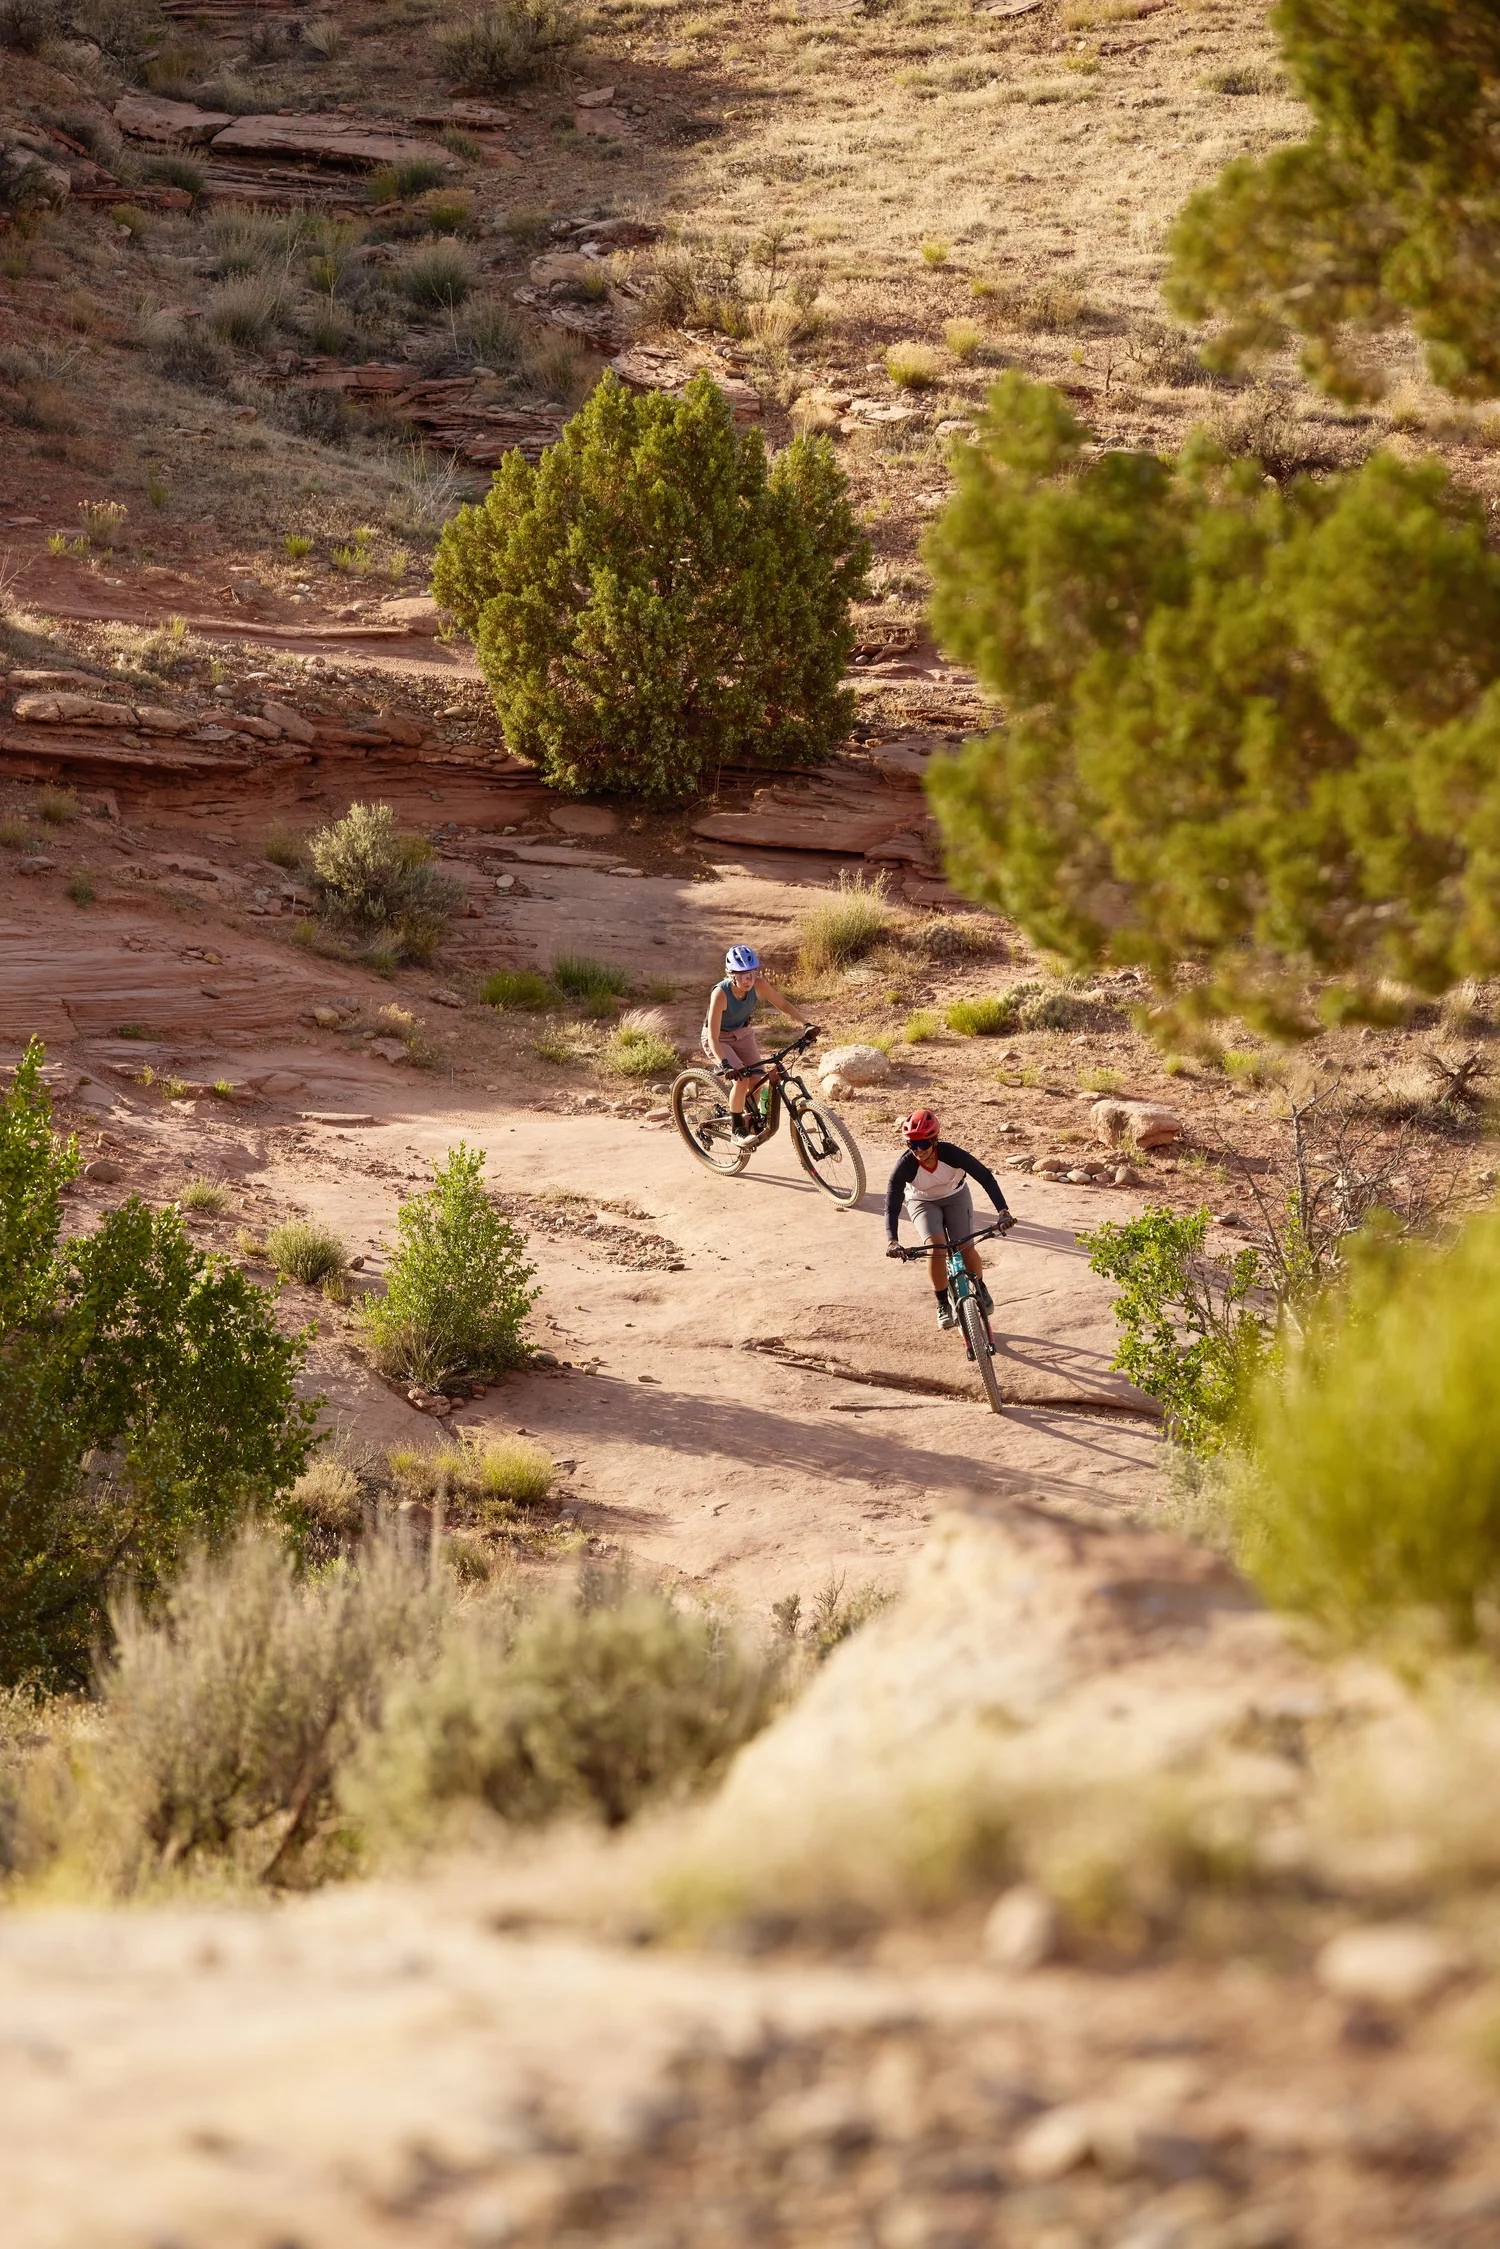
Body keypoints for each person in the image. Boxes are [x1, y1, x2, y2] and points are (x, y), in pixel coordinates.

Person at [884, 1109, 1016, 1328]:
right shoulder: (904, 1166)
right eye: (912, 1145)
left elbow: (985, 1177)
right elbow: (891, 1206)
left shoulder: (952, 1154)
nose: (918, 1151)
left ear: (934, 1140)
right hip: (921, 1201)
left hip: (956, 1196)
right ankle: (943, 1303)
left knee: (965, 1245)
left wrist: (1003, 1211)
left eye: (923, 1144)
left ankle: (980, 1286)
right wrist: (892, 1240)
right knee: (936, 1247)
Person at [702, 946, 811, 1138]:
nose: (748, 979)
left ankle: (749, 1117)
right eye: (742, 975)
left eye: (752, 973)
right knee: (741, 1078)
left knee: (757, 1080)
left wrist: (806, 1024)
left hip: (744, 1034)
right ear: (731, 974)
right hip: (719, 1038)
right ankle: (737, 1127)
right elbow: (712, 1036)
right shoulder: (720, 993)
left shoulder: (758, 984)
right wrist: (726, 1065)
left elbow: (783, 1004)